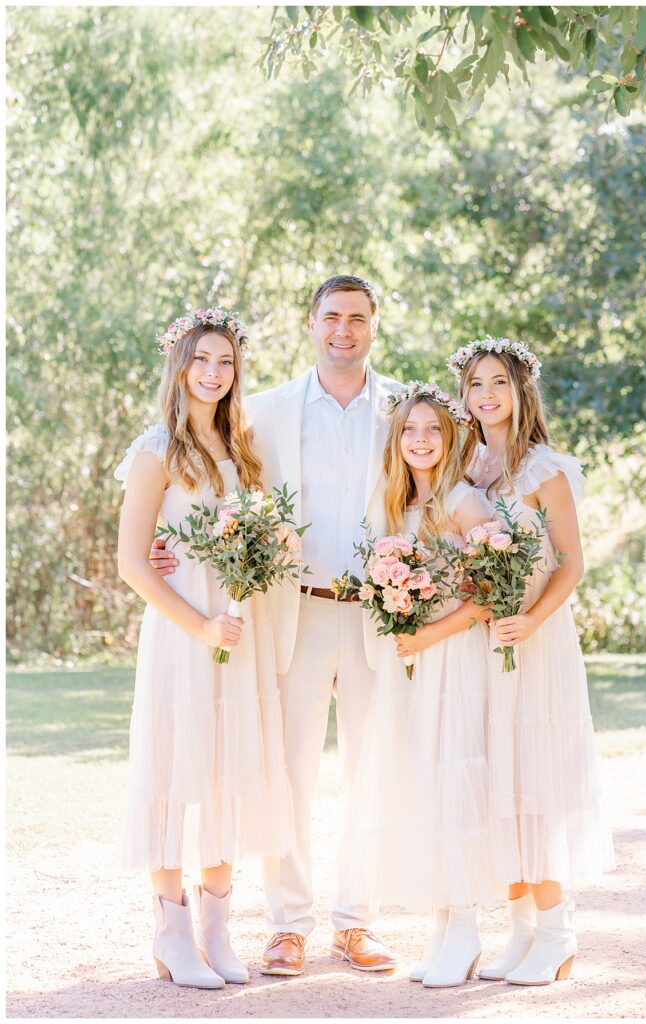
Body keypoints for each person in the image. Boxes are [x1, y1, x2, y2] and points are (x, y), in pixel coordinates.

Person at [149, 277, 401, 976]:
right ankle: (288, 925)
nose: (343, 329)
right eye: (331, 317)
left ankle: (357, 923)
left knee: (369, 771)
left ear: (372, 325)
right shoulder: (261, 412)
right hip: (292, 612)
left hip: (382, 613)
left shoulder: (404, 410)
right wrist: (158, 544)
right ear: (311, 323)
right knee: (285, 775)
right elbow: (195, 487)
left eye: (357, 318)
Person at [116, 308, 292, 988]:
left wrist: (275, 542)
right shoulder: (155, 450)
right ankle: (172, 933)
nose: (213, 373)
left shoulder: (243, 452)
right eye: (202, 360)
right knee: (172, 779)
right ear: (180, 365)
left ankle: (219, 932)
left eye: (225, 362)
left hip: (237, 630)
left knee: (225, 775)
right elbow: (133, 562)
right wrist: (199, 625)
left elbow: (271, 534)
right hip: (184, 634)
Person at [450, 336, 615, 986]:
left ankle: (558, 927)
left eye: (499, 382)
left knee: (534, 781)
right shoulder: (467, 468)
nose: (487, 395)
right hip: (485, 645)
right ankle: (521, 931)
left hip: (534, 641)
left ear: (522, 391)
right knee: (499, 780)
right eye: (476, 384)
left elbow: (571, 561)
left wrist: (531, 619)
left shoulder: (546, 468)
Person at [338, 383, 502, 988]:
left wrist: (429, 637)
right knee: (424, 787)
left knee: (453, 782)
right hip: (410, 663)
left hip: (452, 660)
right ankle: (443, 932)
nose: (421, 440)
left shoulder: (461, 501)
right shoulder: (397, 502)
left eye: (433, 429)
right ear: (397, 438)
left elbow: (491, 594)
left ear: (450, 435)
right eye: (410, 429)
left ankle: (465, 931)